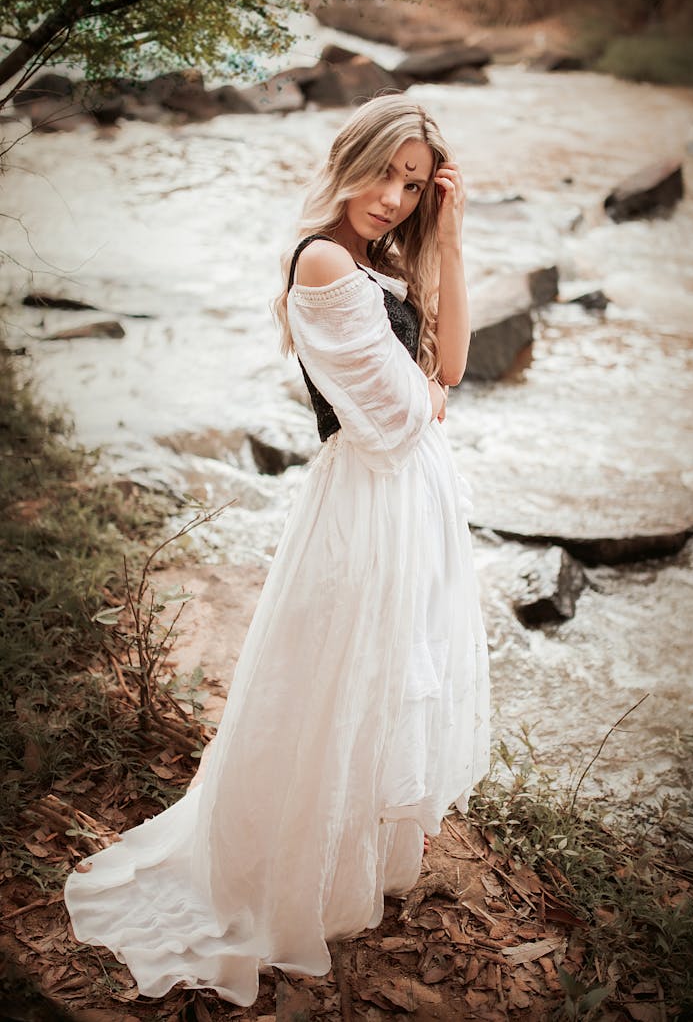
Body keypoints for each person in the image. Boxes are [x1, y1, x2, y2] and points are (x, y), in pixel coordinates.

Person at [64, 93, 490, 1007]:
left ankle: (346, 862)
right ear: (348, 158)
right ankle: (287, 877)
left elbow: (450, 370)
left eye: (413, 184)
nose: (393, 197)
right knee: (334, 684)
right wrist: (423, 399)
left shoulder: (381, 258)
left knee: (374, 679)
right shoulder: (329, 259)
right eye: (383, 172)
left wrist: (448, 244)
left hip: (404, 503)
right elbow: (394, 421)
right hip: (366, 504)